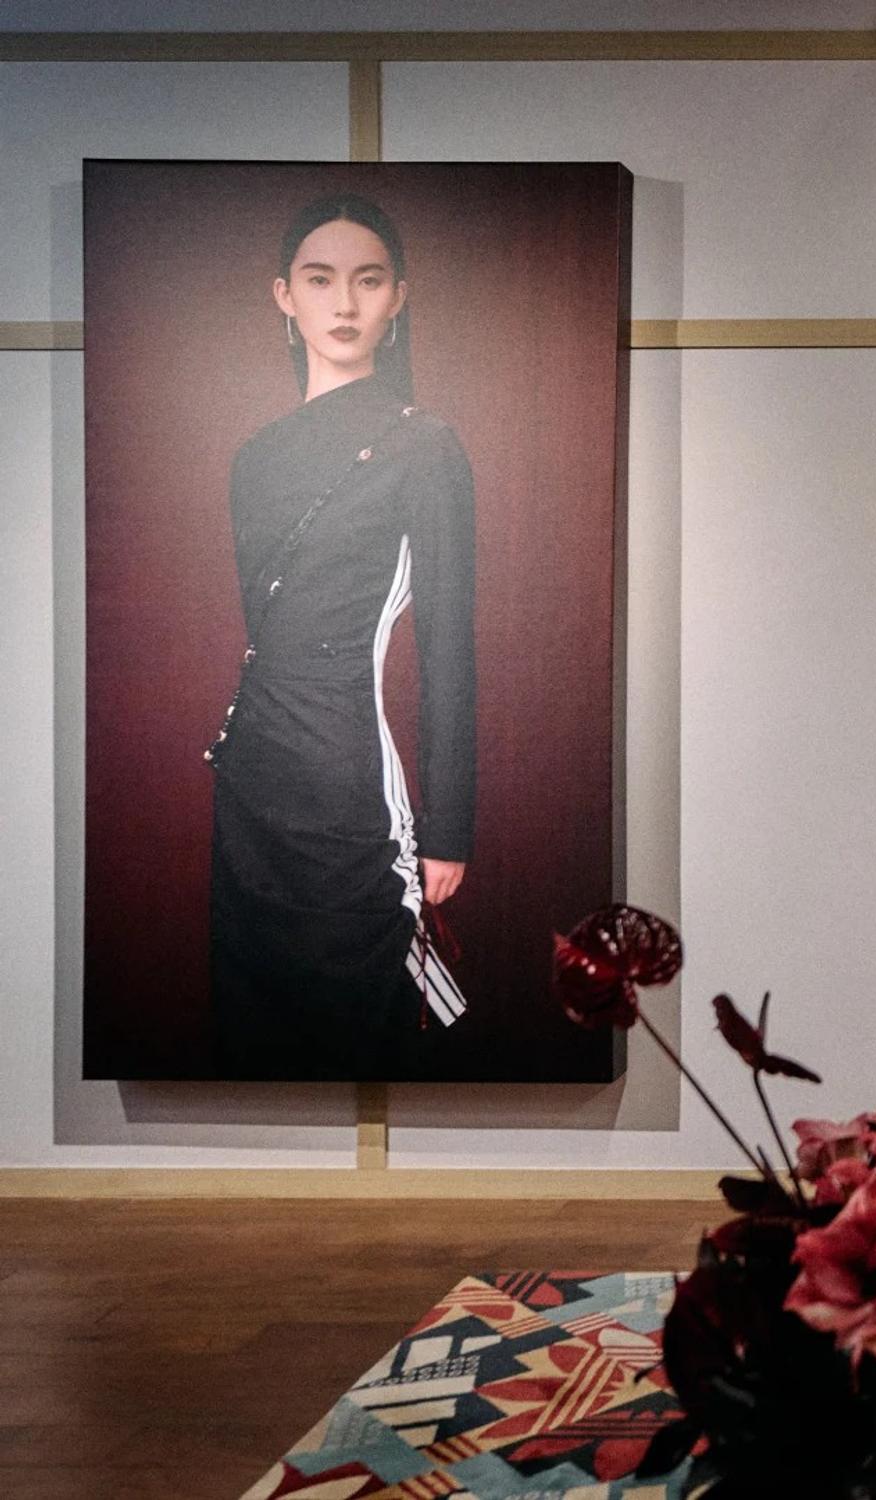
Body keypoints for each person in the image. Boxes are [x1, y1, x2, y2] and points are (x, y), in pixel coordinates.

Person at [207, 192, 476, 1079]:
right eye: (321, 280)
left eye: (369, 280)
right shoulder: (254, 458)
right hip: (252, 773)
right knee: (253, 1009)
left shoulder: (424, 446)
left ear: (399, 296)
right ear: (285, 296)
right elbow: (268, 631)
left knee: (367, 1010)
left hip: (347, 776)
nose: (346, 303)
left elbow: (449, 647)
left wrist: (448, 827)